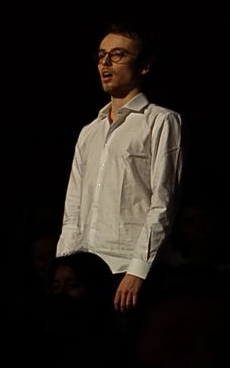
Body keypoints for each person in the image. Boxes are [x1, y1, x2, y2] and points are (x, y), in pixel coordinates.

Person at [57, 23, 185, 313]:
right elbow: (73, 207)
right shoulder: (90, 131)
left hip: (128, 269)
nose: (105, 63)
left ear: (144, 66)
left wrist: (138, 270)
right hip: (85, 270)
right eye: (101, 55)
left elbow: (163, 203)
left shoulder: (161, 121)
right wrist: (64, 266)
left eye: (117, 55)